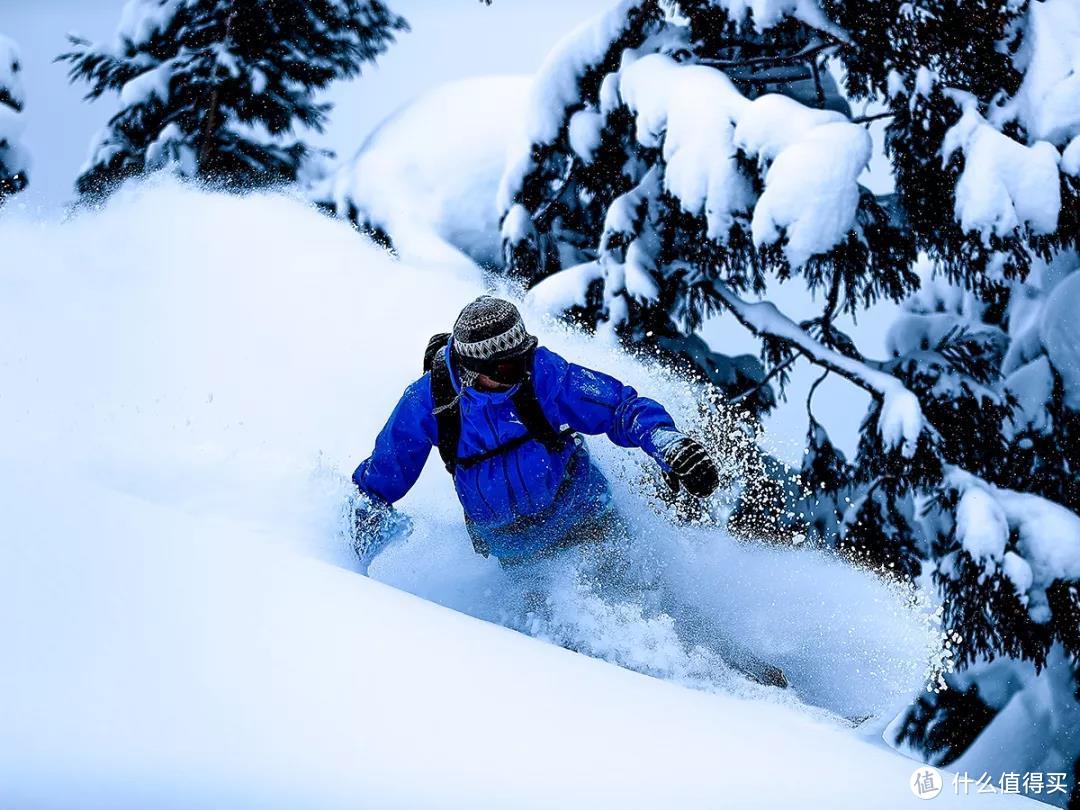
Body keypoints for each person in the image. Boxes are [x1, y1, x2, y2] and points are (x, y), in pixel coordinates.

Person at [350, 296, 720, 569]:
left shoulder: (546, 376)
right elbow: (381, 480)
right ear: (472, 368)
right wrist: (349, 554)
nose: (523, 371)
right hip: (513, 553)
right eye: (508, 367)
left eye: (525, 356)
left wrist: (668, 444)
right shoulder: (429, 402)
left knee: (651, 601)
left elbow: (621, 409)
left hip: (587, 517)